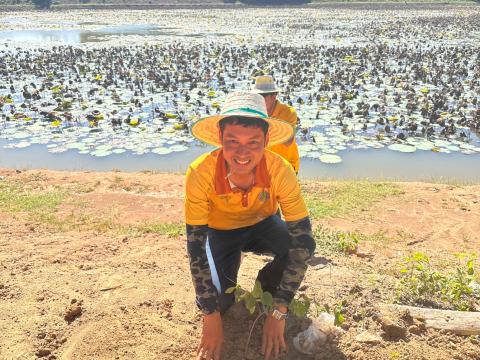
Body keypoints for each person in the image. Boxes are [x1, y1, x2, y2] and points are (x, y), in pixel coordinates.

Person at [185, 91, 315, 360]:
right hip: (219, 232)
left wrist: (280, 310)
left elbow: (303, 239)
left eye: (253, 142)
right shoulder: (200, 172)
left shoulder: (281, 170)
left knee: (297, 247)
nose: (242, 153)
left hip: (262, 224)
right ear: (220, 139)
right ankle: (227, 273)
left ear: (266, 140)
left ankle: (267, 282)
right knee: (219, 304)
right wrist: (210, 316)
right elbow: (196, 246)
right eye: (232, 141)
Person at [251, 75, 300, 174]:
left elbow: (288, 141)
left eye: (262, 96)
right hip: (262, 163)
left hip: (286, 164)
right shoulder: (254, 112)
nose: (258, 100)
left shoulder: (288, 112)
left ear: (273, 97)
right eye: (256, 96)